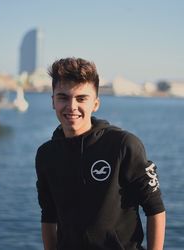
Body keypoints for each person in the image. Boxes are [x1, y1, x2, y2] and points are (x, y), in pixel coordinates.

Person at [35, 57, 166, 250]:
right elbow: (48, 214)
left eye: (81, 98)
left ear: (95, 104)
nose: (71, 106)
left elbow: (155, 209)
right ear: (53, 101)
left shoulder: (123, 145)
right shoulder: (46, 154)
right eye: (63, 97)